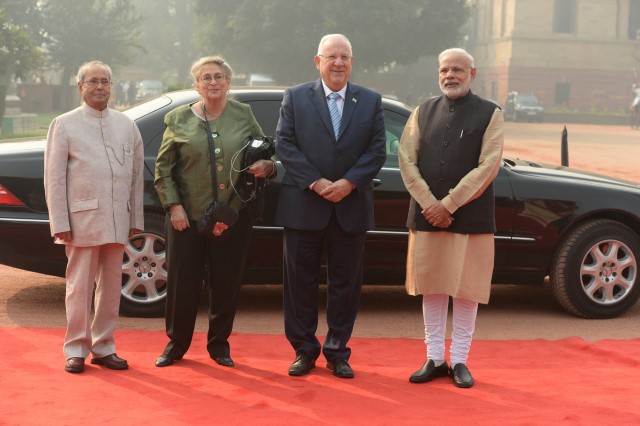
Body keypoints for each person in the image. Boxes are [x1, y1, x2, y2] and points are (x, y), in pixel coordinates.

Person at [275, 34, 386, 379]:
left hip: (350, 207)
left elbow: (377, 149)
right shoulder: (295, 97)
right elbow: (285, 144)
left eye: (345, 57)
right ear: (317, 61)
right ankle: (304, 350)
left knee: (345, 285)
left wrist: (348, 182)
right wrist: (317, 181)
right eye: (331, 56)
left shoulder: (369, 100)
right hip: (304, 204)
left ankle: (338, 351)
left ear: (352, 62)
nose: (338, 63)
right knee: (299, 284)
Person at [153, 56, 275, 368]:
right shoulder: (177, 118)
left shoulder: (243, 114)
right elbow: (163, 170)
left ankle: (219, 345)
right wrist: (174, 206)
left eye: (219, 76)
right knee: (183, 283)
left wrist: (270, 167)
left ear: (228, 81)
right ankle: (176, 344)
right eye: (205, 78)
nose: (213, 82)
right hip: (187, 218)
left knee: (226, 281)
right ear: (196, 85)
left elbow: (262, 152)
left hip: (233, 216)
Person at [398, 48, 504, 388]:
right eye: (444, 69)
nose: (450, 75)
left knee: (465, 289)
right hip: (427, 214)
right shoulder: (421, 112)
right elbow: (406, 160)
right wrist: (432, 204)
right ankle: (434, 357)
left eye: (457, 69)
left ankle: (459, 359)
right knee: (432, 287)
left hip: (469, 217)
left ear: (472, 73)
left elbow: (489, 166)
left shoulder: (490, 114)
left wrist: (450, 204)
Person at [44, 60, 144, 373]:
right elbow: (55, 178)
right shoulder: (65, 123)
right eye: (93, 81)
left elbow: (136, 175)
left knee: (111, 287)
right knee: (79, 286)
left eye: (105, 81)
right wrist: (60, 222)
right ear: (80, 86)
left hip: (117, 218)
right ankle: (75, 348)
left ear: (111, 86)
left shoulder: (126, 124)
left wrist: (134, 219)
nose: (100, 87)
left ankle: (104, 347)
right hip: (81, 220)